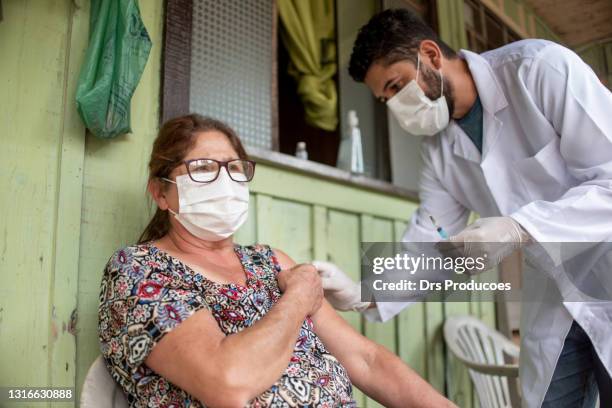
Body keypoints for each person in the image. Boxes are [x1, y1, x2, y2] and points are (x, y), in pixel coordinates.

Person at [313, 8, 612, 408]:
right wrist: (363, 293)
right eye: (386, 99)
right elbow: (430, 240)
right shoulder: (438, 152)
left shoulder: (538, 69)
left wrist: (519, 228)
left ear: (432, 55)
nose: (397, 106)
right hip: (554, 295)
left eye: (397, 85)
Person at [98, 114, 456, 408]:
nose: (224, 181)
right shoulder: (139, 271)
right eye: (203, 168)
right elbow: (228, 383)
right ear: (160, 192)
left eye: (235, 168)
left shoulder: (269, 262)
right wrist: (299, 297)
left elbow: (366, 360)